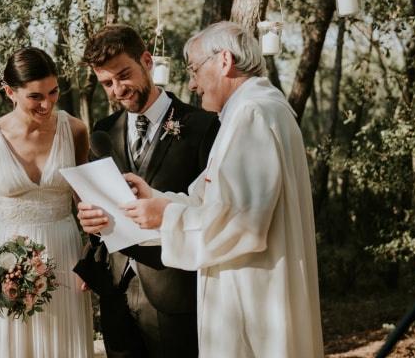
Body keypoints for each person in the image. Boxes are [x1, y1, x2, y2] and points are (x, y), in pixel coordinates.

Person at [118, 21, 324, 357]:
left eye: (195, 69)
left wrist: (165, 217)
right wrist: (153, 198)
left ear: (224, 61)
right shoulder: (247, 112)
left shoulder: (253, 114)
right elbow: (209, 199)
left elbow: (242, 221)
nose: (192, 83)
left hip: (252, 292)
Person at [76, 24, 219, 358]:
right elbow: (100, 205)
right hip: (116, 292)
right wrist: (89, 220)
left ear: (146, 60)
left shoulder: (203, 125)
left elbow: (212, 208)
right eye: (107, 83)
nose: (117, 90)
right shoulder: (102, 133)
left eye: (124, 75)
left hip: (176, 290)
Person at [0, 47, 94, 357]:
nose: (47, 103)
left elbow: (86, 201)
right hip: (3, 262)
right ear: (10, 92)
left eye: (53, 92)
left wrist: (91, 253)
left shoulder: (74, 130)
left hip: (64, 255)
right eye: (35, 96)